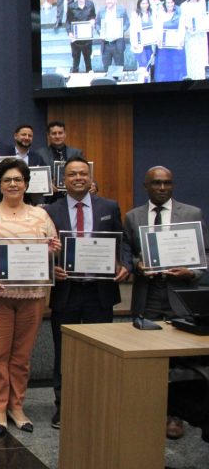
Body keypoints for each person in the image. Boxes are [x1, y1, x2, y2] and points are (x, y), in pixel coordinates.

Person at [0, 158, 58, 436]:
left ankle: (16, 406)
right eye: (8, 180)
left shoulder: (41, 215)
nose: (13, 184)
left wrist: (53, 248)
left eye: (18, 179)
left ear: (26, 183)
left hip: (31, 296)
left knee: (21, 357)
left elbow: (51, 248)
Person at [44, 156, 131, 429]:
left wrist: (126, 265)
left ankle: (98, 403)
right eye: (72, 174)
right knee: (64, 352)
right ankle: (64, 406)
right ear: (62, 181)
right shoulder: (49, 210)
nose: (78, 178)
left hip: (99, 292)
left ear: (90, 178)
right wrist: (51, 268)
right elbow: (42, 246)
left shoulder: (109, 206)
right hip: (66, 291)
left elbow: (123, 243)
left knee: (100, 352)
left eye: (83, 173)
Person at [123, 165, 208, 440]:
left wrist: (191, 272)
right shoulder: (133, 217)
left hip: (181, 293)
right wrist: (138, 264)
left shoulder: (192, 213)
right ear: (146, 186)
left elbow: (205, 255)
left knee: (181, 357)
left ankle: (176, 415)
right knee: (146, 353)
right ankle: (146, 409)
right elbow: (127, 253)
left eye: (167, 183)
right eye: (157, 183)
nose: (162, 188)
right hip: (149, 293)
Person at [154, 0, 187, 82]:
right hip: (164, 48)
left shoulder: (179, 15)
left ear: (174, 3)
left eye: (171, 2)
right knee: (164, 67)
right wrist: (158, 39)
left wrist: (181, 40)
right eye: (168, 2)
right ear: (165, 3)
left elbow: (182, 29)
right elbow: (157, 28)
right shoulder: (161, 14)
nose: (170, 4)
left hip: (175, 47)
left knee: (175, 67)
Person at [179, 0, 208, 80]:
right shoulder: (183, 5)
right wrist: (187, 27)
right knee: (191, 60)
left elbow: (204, 18)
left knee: (200, 61)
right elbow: (182, 22)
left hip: (200, 36)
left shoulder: (202, 2)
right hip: (189, 36)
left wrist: (200, 27)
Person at [65, 0, 96, 73]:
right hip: (75, 40)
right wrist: (69, 32)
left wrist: (93, 20)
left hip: (87, 40)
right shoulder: (71, 7)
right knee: (75, 63)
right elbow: (68, 22)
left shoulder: (90, 4)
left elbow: (93, 16)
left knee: (88, 62)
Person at [96, 0, 130, 71]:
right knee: (106, 68)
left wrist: (121, 30)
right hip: (106, 44)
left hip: (117, 44)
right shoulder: (101, 11)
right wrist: (100, 31)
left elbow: (127, 23)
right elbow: (97, 24)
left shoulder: (121, 10)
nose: (109, 1)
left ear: (115, 0)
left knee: (119, 68)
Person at [130, 0, 157, 72]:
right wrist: (134, 43)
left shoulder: (152, 13)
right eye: (143, 3)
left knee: (150, 64)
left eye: (146, 3)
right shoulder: (135, 14)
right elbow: (132, 30)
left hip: (150, 44)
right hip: (139, 45)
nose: (145, 5)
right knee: (143, 66)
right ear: (139, 4)